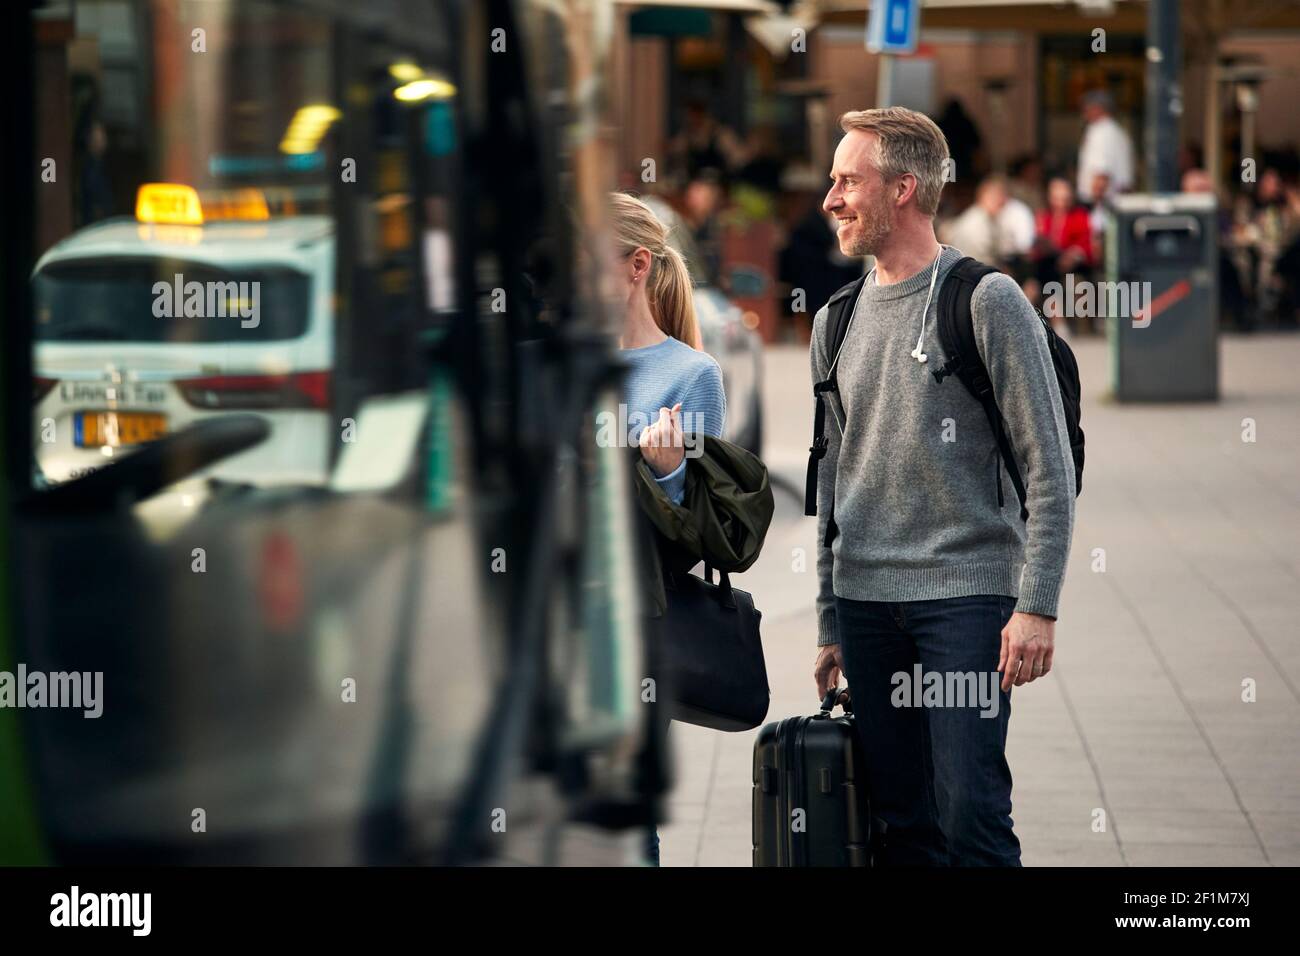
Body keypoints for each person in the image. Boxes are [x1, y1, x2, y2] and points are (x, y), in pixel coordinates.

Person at [812, 107, 1076, 866]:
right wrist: (830, 616)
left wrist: (1038, 605)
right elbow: (832, 480)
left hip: (965, 599)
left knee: (970, 818)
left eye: (847, 181)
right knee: (900, 826)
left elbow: (1048, 465)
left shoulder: (986, 301)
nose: (830, 199)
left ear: (903, 188)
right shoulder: (833, 320)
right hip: (866, 606)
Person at [608, 191, 726, 865]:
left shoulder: (692, 375)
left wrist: (669, 472)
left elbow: (702, 535)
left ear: (636, 266)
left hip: (632, 626)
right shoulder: (557, 364)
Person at [1076, 89, 1133, 203]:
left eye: (1087, 108)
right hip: (1117, 200)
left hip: (1102, 202)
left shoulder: (1101, 131)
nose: (1084, 113)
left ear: (1098, 108)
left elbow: (1101, 171)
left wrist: (1096, 204)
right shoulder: (1116, 130)